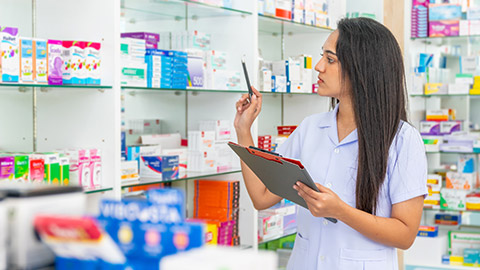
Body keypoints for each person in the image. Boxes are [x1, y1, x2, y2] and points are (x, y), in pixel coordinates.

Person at [234, 17, 427, 270]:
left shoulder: (403, 140)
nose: (318, 67)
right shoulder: (310, 128)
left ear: (362, 68)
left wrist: (341, 211)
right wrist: (243, 129)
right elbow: (261, 197)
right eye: (321, 56)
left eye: (330, 59)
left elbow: (405, 235)